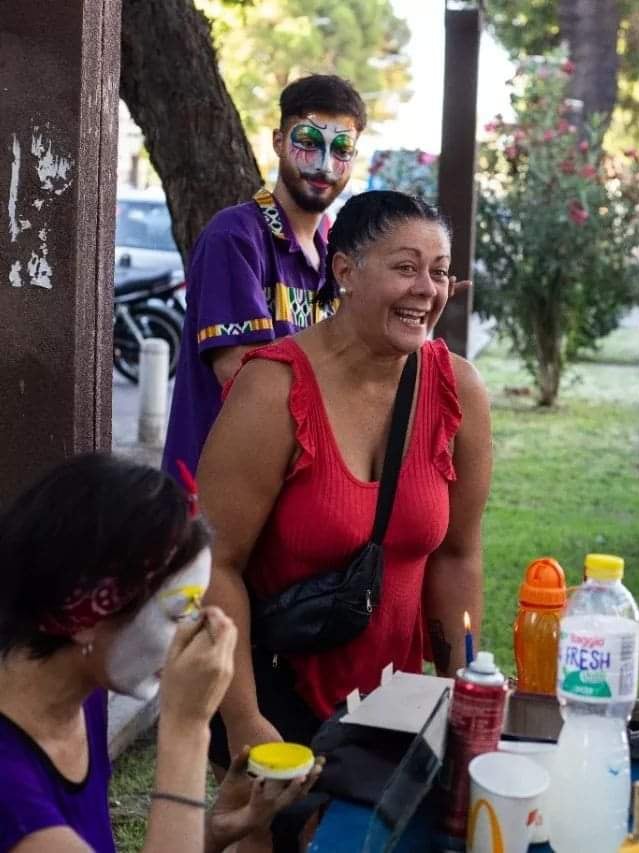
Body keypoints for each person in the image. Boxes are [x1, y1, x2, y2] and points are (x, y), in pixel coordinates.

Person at [197, 190, 491, 850]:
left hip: (394, 710)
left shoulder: (459, 389)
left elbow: (457, 556)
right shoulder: (271, 388)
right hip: (277, 695)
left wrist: (457, 697)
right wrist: (245, 719)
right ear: (346, 271)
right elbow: (215, 562)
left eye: (440, 271)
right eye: (405, 267)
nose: (427, 289)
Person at [0, 454, 321, 853]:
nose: (199, 631)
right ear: (83, 613)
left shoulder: (79, 695)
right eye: (178, 611)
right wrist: (186, 728)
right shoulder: (10, 793)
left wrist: (214, 831)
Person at [162, 74, 368, 482]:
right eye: (308, 143)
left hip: (290, 490)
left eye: (341, 149)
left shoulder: (336, 253)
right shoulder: (235, 236)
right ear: (278, 141)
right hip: (219, 490)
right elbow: (242, 375)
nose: (324, 166)